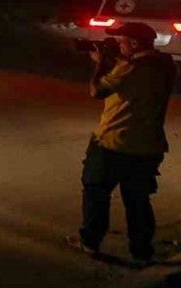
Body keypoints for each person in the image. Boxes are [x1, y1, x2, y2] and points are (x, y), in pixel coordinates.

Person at [67, 22, 176, 265]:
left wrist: (99, 64)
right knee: (138, 201)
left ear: (134, 43)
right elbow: (137, 75)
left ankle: (90, 242)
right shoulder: (166, 65)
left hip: (113, 143)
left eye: (121, 42)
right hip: (148, 146)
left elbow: (97, 91)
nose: (119, 46)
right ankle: (142, 252)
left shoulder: (129, 68)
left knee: (96, 193)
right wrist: (113, 60)